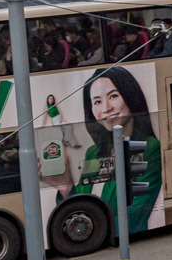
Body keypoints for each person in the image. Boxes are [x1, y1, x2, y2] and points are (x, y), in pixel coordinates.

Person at [39, 66, 164, 232]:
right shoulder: (93, 152)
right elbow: (81, 207)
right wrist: (66, 187)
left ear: (130, 96)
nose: (106, 108)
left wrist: (93, 233)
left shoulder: (149, 148)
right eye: (97, 101)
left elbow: (135, 216)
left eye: (113, 96)